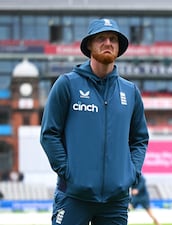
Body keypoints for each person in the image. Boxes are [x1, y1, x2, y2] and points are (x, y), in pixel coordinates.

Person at [40, 18, 149, 225]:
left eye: (113, 39)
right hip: (74, 196)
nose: (108, 43)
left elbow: (139, 140)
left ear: (119, 47)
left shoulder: (130, 92)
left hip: (115, 201)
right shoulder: (67, 84)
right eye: (101, 38)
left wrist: (131, 174)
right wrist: (68, 171)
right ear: (89, 45)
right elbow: (49, 134)